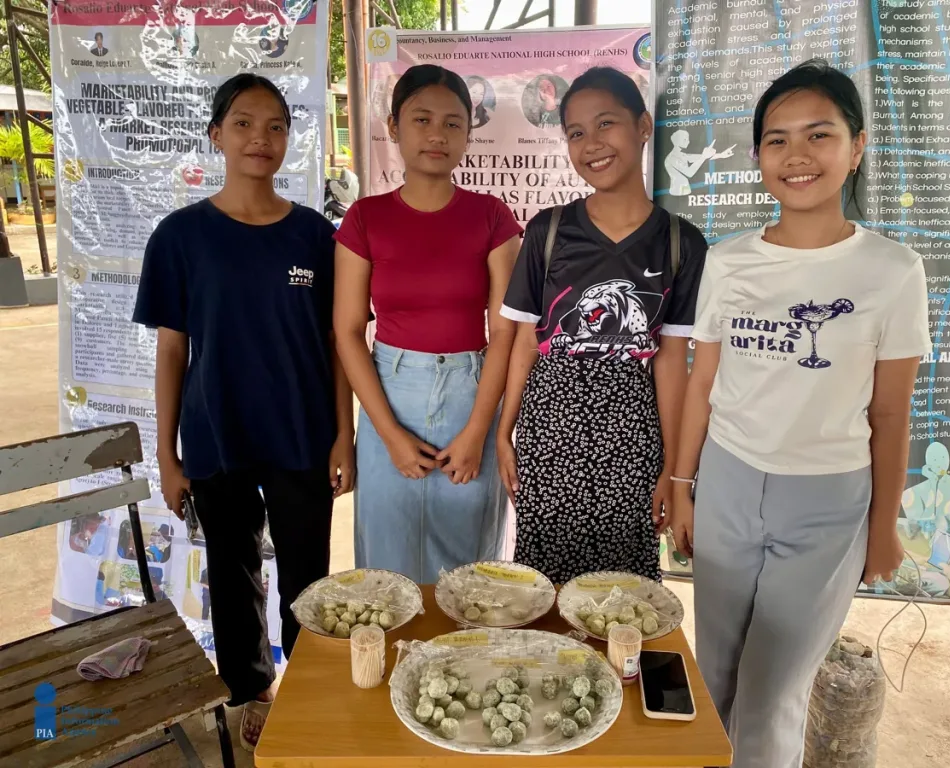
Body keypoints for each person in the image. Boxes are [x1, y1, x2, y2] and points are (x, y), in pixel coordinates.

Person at [669, 59, 931, 768]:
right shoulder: (728, 262)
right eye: (777, 140)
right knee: (713, 672)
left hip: (826, 501)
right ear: (758, 156)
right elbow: (703, 384)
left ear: (858, 146)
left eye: (819, 134)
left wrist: (882, 530)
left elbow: (890, 414)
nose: (797, 156)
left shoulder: (892, 271)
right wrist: (683, 486)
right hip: (727, 482)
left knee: (771, 693)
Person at [132, 73, 355, 751]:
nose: (261, 139)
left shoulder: (317, 237)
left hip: (302, 436)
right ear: (216, 135)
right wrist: (167, 455)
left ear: (290, 138)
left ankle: (312, 691)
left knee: (308, 576)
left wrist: (344, 437)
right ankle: (250, 694)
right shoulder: (180, 236)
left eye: (276, 126)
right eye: (244, 124)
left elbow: (340, 344)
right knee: (233, 577)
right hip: (215, 436)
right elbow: (173, 352)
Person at [498, 67, 706, 584]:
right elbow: (526, 342)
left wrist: (672, 469)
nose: (592, 144)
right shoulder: (547, 231)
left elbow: (671, 362)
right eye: (576, 132)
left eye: (606, 123)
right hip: (549, 432)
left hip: (634, 438)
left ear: (642, 127)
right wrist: (506, 433)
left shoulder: (681, 244)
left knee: (623, 591)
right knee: (542, 585)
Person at [334, 65, 522, 584]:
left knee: (470, 570)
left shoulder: (492, 217)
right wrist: (389, 434)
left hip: (473, 393)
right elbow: (348, 332)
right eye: (421, 119)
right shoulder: (365, 219)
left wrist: (477, 432)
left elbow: (505, 331)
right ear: (393, 127)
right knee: (388, 567)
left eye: (453, 123)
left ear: (468, 132)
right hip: (388, 392)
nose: (437, 134)